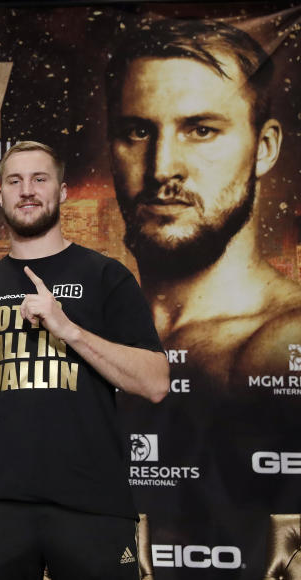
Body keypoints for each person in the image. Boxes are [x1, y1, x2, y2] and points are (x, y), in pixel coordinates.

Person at [0, 141, 169, 579]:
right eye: (14, 181)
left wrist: (68, 329)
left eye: (39, 179)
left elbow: (156, 382)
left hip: (92, 504)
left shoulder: (106, 276)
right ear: (2, 195)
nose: (26, 190)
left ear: (63, 191)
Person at [105, 18, 301, 387]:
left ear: (265, 148)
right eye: (138, 131)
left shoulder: (289, 340)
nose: (162, 169)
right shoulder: (87, 328)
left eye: (201, 131)